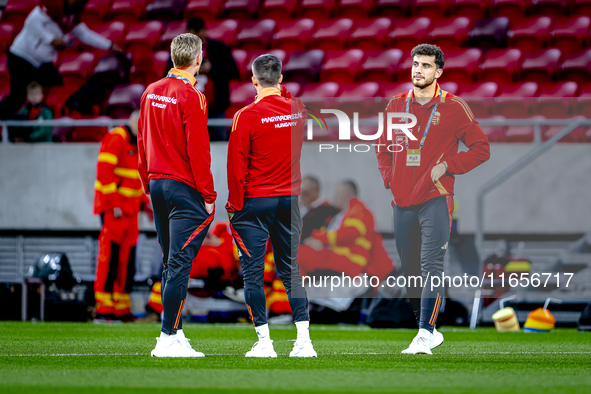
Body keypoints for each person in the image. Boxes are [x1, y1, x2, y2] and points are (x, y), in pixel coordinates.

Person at [376, 44, 491, 355]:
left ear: (438, 72)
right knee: (410, 269)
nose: (418, 70)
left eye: (426, 66)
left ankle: (425, 333)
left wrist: (449, 166)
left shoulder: (454, 107)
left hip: (435, 199)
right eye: (415, 64)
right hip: (401, 202)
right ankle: (427, 328)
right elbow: (383, 148)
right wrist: (390, 178)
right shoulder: (396, 104)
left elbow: (482, 149)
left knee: (431, 266)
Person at [226, 54, 316, 358]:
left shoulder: (246, 116)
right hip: (289, 201)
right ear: (280, 78)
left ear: (253, 80)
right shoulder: (297, 109)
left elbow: (235, 168)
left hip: (253, 201)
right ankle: (304, 341)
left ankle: (265, 343)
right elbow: (291, 100)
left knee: (252, 274)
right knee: (291, 270)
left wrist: (233, 206)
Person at [138, 33, 216, 358]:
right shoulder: (193, 96)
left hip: (157, 184)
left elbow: (142, 141)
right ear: (197, 60)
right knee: (179, 263)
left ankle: (177, 332)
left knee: (172, 262)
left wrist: (146, 182)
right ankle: (167, 338)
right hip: (183, 186)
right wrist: (209, 194)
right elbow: (199, 151)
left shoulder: (150, 91)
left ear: (173, 57)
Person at [0, 0, 123, 120]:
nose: (82, 4)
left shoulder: (72, 16)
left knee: (57, 90)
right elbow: (31, 22)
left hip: (42, 62)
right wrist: (51, 39)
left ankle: (48, 123)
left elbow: (85, 35)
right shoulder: (52, 4)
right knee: (18, 96)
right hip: (22, 56)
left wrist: (109, 45)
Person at [93, 110, 152, 321]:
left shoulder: (139, 143)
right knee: (110, 257)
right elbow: (104, 174)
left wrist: (146, 205)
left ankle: (121, 306)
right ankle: (104, 306)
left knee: (127, 260)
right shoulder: (116, 138)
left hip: (131, 211)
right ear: (132, 121)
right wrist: (115, 204)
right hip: (114, 210)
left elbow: (136, 180)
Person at [298, 180, 393, 283]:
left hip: (349, 261)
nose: (334, 197)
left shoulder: (361, 212)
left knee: (296, 254)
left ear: (347, 194)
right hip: (335, 256)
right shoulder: (338, 215)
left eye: (337, 193)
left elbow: (347, 234)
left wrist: (318, 239)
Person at [165, 17, 240, 141]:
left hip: (215, 107)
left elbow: (234, 71)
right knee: (192, 144)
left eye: (198, 33)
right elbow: (168, 74)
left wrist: (212, 68)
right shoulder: (179, 51)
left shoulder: (219, 48)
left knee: (219, 145)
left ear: (204, 31)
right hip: (189, 108)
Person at [299, 175, 340, 241]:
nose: (301, 196)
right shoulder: (304, 209)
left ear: (316, 191)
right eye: (300, 192)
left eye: (305, 193)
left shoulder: (327, 209)